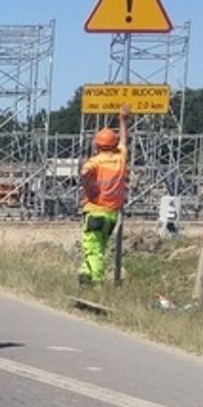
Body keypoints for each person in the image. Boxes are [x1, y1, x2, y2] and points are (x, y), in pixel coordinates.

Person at [78, 104, 129, 287]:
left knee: (93, 250)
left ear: (97, 144)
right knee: (98, 247)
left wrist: (87, 185)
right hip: (112, 214)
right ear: (114, 144)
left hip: (94, 211)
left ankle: (97, 284)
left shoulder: (96, 161)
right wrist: (123, 120)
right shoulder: (120, 159)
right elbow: (124, 141)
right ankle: (84, 273)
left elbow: (84, 172)